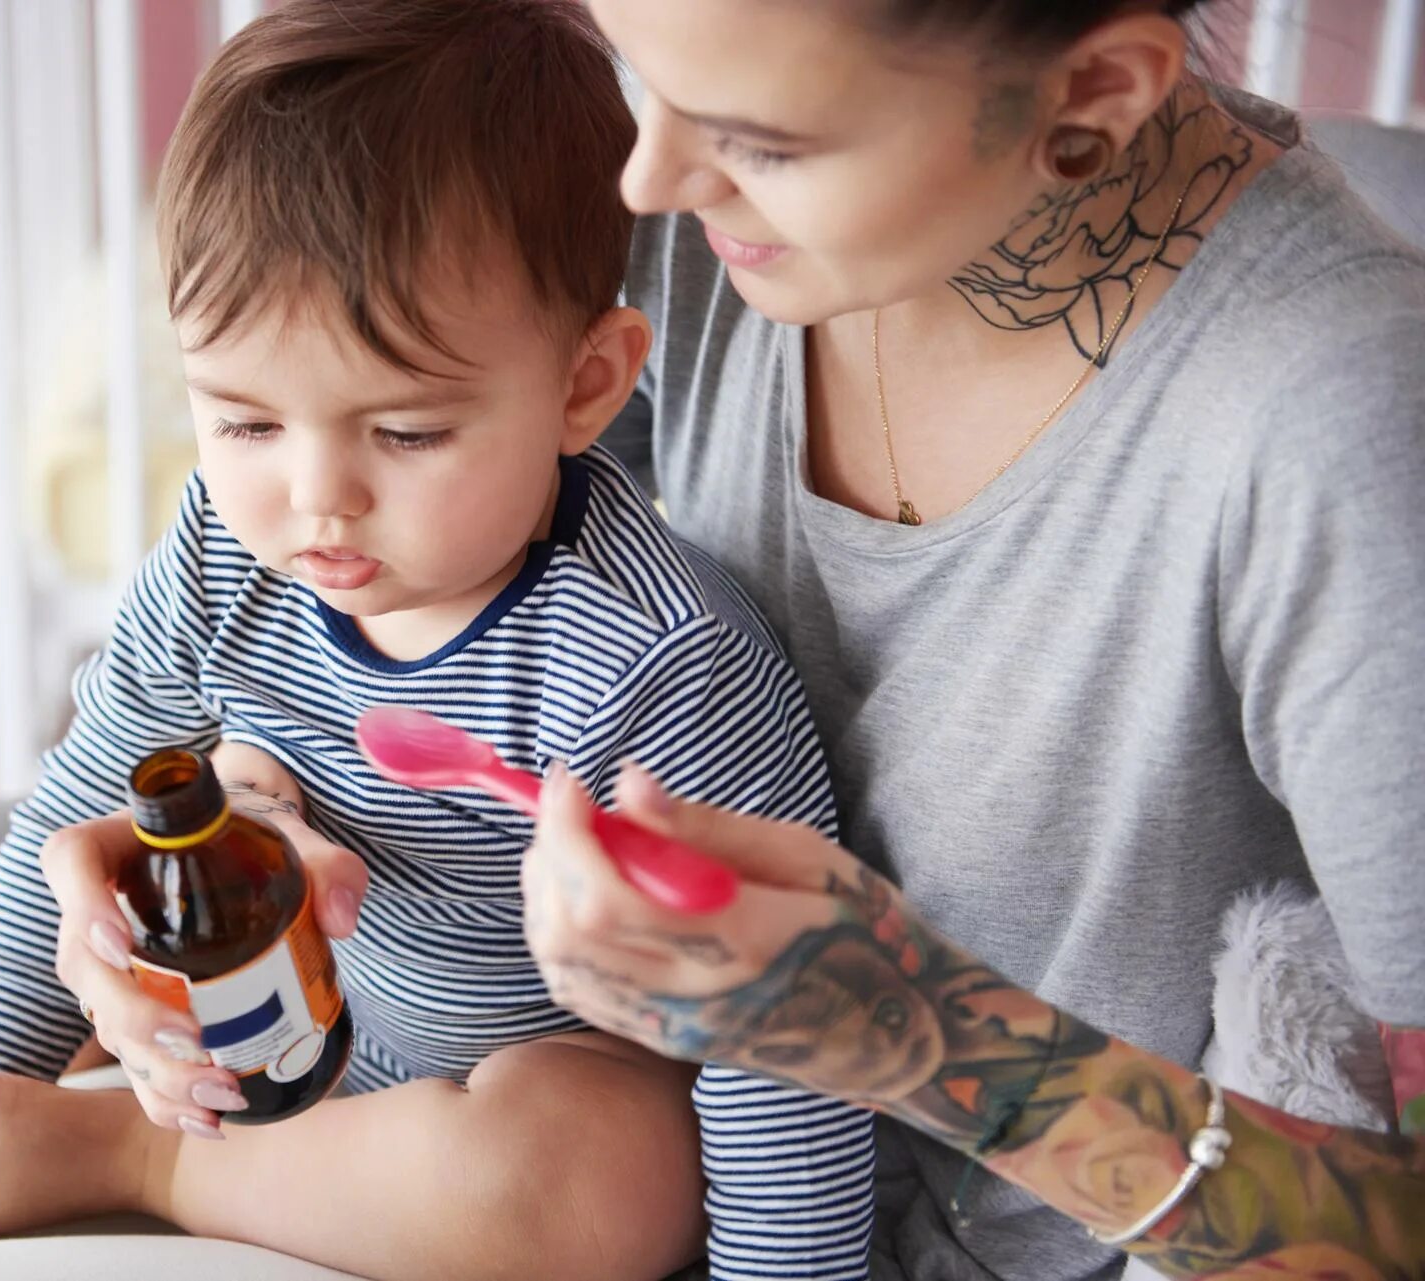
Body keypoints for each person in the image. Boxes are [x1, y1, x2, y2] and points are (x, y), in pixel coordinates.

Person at [0, 3, 878, 1280]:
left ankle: (139, 1161)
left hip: (534, 1091)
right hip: (299, 1043)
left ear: (585, 386)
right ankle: (164, 1141)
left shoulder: (653, 663)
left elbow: (782, 1051)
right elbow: (80, 796)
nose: (317, 500)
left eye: (406, 434)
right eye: (245, 424)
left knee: (608, 1167)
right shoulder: (227, 553)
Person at [504, 1, 1425, 1279]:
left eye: (761, 141)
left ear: (1094, 92)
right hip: (697, 1176)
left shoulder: (1347, 438)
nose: (645, 176)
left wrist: (917, 1036)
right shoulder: (698, 224)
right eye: (637, 68)